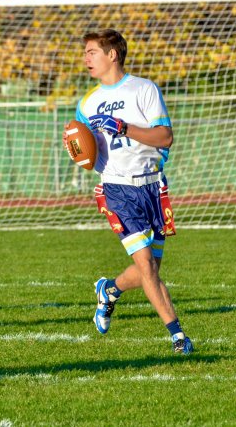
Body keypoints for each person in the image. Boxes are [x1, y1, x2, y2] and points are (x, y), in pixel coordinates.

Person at [64, 28, 193, 355]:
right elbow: (84, 150)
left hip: (152, 187)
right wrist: (83, 156)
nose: (86, 58)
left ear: (112, 55)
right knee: (147, 267)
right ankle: (178, 336)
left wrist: (124, 128)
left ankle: (109, 290)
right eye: (85, 52)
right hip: (117, 190)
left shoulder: (144, 89)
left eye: (92, 51)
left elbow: (165, 137)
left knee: (149, 271)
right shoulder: (88, 103)